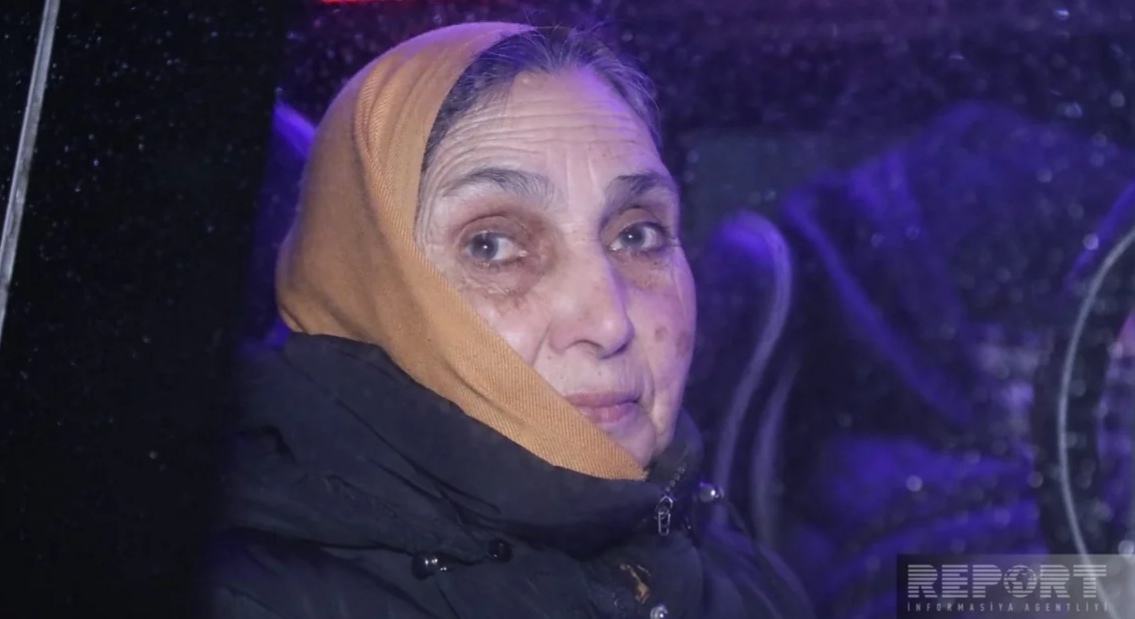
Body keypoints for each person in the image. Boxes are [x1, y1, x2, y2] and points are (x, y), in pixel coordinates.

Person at [201, 22, 813, 619]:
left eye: (637, 234)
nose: (609, 323)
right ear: (362, 294)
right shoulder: (237, 599)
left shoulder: (744, 583)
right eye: (491, 245)